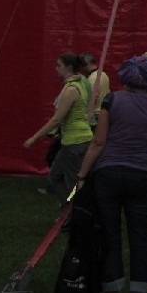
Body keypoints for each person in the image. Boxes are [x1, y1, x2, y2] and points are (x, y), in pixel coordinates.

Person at [75, 54, 147, 293]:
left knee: (111, 238)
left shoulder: (111, 101)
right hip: (142, 175)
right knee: (140, 238)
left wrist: (82, 175)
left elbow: (99, 142)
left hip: (109, 174)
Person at [24, 52, 92, 204]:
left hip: (76, 141)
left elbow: (56, 119)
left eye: (59, 65)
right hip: (73, 140)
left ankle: (75, 213)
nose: (56, 69)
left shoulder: (71, 89)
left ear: (68, 67)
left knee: (72, 183)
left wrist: (34, 138)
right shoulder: (79, 83)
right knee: (55, 176)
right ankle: (69, 209)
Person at [80, 51, 111, 129]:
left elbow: (93, 99)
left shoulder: (92, 79)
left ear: (86, 63)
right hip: (104, 113)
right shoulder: (104, 74)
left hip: (96, 115)